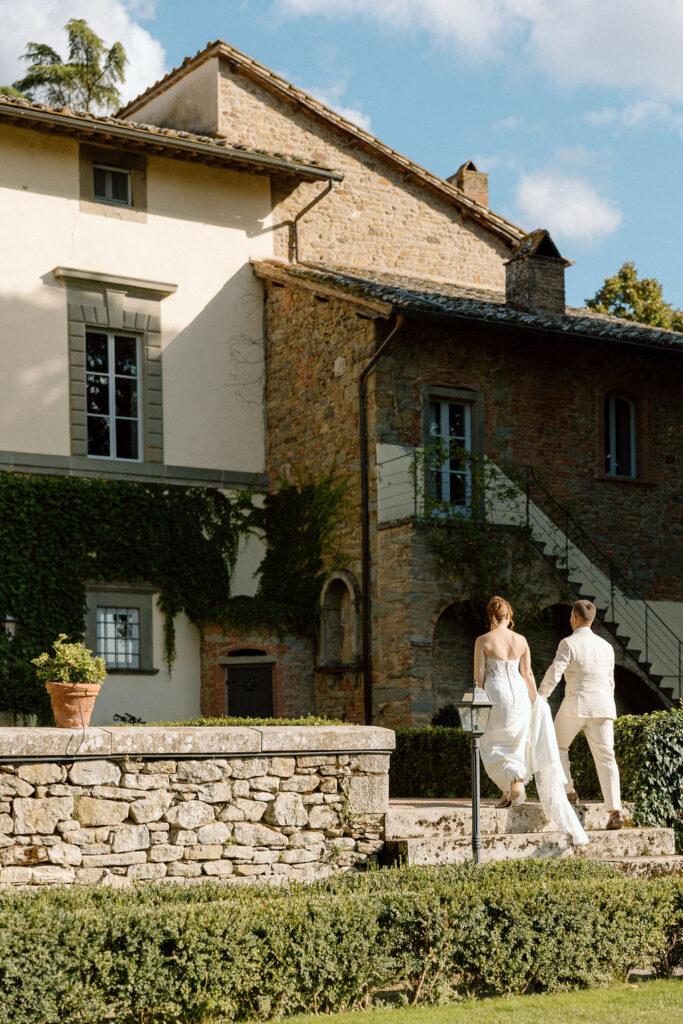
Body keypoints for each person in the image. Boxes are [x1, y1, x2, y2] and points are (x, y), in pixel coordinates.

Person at [474, 596, 588, 845]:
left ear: (491, 616)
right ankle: (511, 788)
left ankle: (511, 780)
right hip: (518, 693)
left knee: (490, 742)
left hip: (495, 693)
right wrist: (537, 701)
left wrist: (477, 705)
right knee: (518, 740)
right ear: (508, 615)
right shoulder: (521, 640)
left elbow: (478, 677)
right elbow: (526, 673)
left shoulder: (483, 640)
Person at [539, 600, 623, 830]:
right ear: (592, 619)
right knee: (607, 757)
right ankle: (615, 810)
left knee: (556, 746)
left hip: (577, 704)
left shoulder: (568, 643)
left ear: (574, 618)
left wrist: (540, 697)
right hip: (604, 706)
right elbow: (610, 681)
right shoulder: (607, 646)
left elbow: (554, 673)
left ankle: (569, 792)